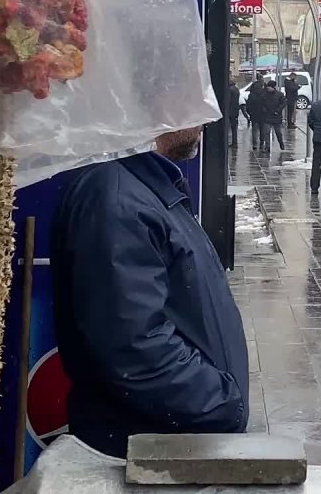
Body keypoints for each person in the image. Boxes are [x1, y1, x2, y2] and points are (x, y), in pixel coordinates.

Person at [51, 128, 249, 458]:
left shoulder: (148, 187)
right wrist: (222, 404)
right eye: (187, 98)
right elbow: (133, 346)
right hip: (142, 453)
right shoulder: (115, 199)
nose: (204, 116)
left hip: (169, 443)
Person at [258, 80, 287, 153]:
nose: (268, 88)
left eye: (269, 87)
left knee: (278, 132)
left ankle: (281, 142)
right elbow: (261, 104)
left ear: (273, 87)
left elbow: (283, 103)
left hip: (276, 116)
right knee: (266, 132)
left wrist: (278, 111)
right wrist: (264, 110)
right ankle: (267, 147)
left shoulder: (280, 95)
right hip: (267, 116)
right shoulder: (264, 95)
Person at [225, 78, 240, 149]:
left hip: (230, 111)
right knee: (234, 128)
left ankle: (231, 142)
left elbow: (228, 100)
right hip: (235, 110)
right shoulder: (236, 89)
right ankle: (235, 142)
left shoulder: (230, 90)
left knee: (228, 127)